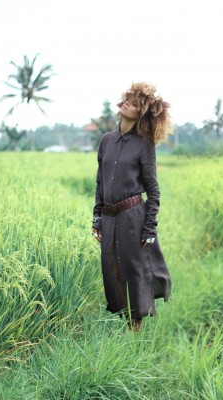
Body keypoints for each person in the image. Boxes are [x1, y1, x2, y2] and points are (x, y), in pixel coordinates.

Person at [91, 82, 172, 331]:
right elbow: (99, 183)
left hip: (133, 217)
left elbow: (153, 189)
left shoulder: (144, 145)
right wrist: (97, 218)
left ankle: (135, 335)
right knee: (112, 273)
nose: (127, 103)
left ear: (142, 113)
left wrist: (149, 228)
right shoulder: (106, 141)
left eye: (135, 104)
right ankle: (127, 326)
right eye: (128, 99)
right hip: (109, 217)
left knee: (134, 274)